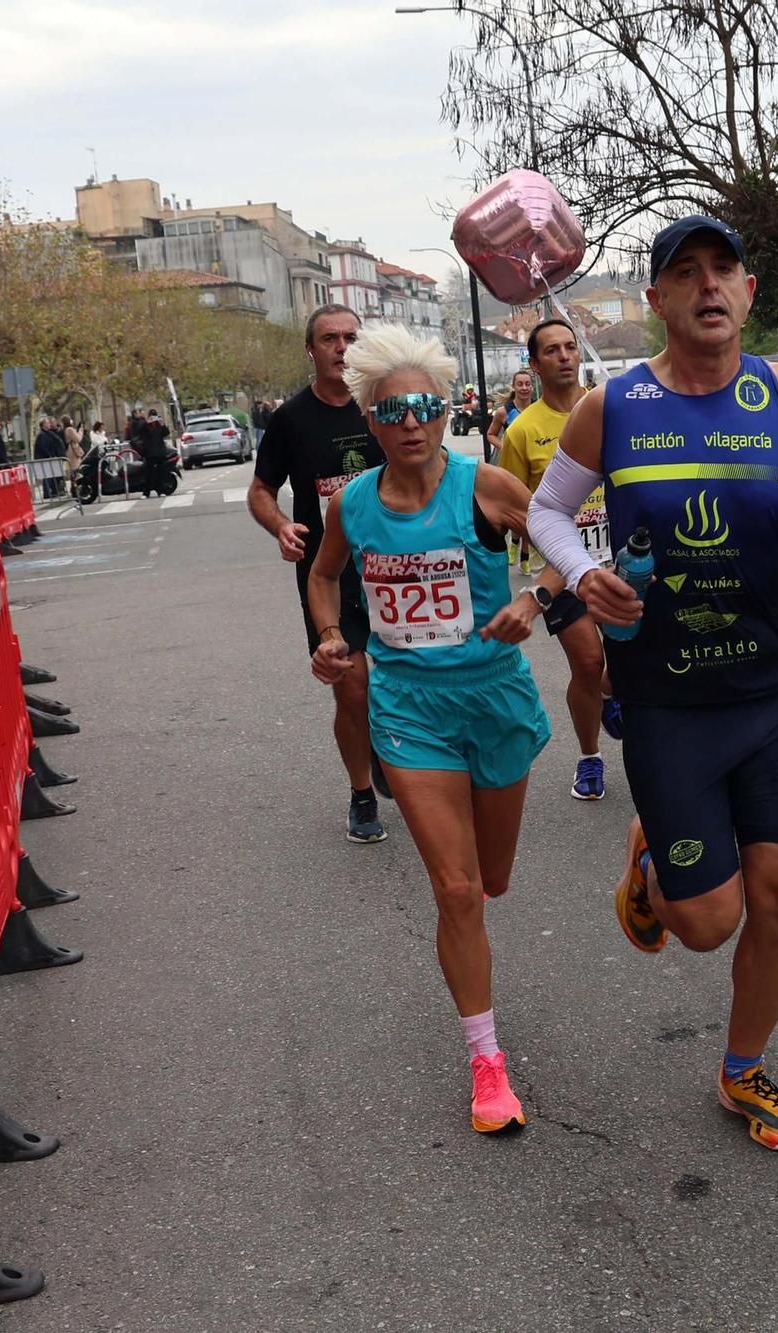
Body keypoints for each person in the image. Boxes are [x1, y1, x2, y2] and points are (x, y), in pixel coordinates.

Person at [526, 215, 778, 1150]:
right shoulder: (611, 408)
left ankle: (744, 1069)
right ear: (656, 298)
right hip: (667, 700)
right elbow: (547, 509)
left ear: (746, 288)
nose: (708, 285)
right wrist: (581, 573)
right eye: (684, 272)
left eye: (723, 268)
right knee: (705, 924)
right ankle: (655, 868)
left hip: (775, 688)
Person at [308, 322, 559, 1135]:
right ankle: (487, 1063)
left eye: (425, 406)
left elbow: (563, 549)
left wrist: (534, 599)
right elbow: (323, 572)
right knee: (455, 891)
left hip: (495, 701)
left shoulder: (484, 486)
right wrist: (331, 635)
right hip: (407, 708)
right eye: (393, 410)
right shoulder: (351, 502)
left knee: (491, 880)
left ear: (446, 411)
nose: (411, 421)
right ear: (369, 418)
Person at [248, 304, 391, 844]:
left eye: (352, 337)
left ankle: (391, 750)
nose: (342, 347)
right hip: (329, 574)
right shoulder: (291, 418)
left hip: (396, 567)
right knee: (351, 688)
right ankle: (361, 793)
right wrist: (281, 526)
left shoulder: (381, 405)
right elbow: (260, 490)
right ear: (311, 349)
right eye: (330, 338)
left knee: (402, 680)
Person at [499, 320, 617, 801]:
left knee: (629, 660)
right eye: (552, 350)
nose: (565, 356)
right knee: (588, 663)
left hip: (622, 556)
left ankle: (613, 694)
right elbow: (509, 505)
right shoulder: (522, 430)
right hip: (563, 566)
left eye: (571, 347)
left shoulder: (609, 408)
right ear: (534, 363)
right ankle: (590, 757)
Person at [488, 370, 534, 470]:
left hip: (534, 462)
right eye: (520, 384)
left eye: (527, 384)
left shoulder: (540, 409)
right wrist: (504, 447)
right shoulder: (503, 412)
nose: (524, 388)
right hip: (512, 465)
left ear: (532, 387)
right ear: (513, 387)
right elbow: (491, 435)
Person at [33, 418, 65, 498]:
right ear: (43, 425)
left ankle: (52, 491)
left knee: (50, 476)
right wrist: (50, 455)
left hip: (49, 458)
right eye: (47, 423)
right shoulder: (42, 435)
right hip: (45, 459)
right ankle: (47, 494)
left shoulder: (48, 433)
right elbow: (43, 447)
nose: (49, 424)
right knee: (47, 477)